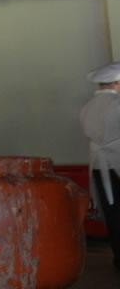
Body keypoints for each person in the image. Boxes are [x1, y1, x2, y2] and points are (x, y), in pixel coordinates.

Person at [80, 62, 120, 269]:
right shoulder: (117, 105)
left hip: (98, 165)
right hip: (117, 162)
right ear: (116, 83)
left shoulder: (87, 107)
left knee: (112, 211)